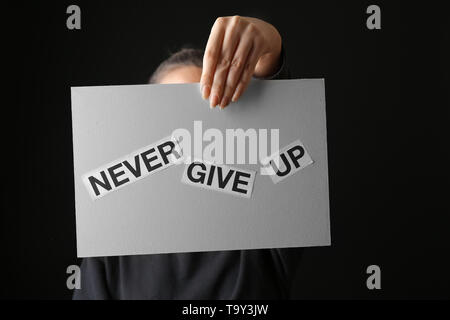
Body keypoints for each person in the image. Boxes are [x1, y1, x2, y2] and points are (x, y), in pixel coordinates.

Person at [74, 16, 303, 300]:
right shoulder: (111, 252)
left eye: (206, 120)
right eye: (173, 121)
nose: (187, 145)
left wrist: (269, 51)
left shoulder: (260, 233)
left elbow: (284, 143)